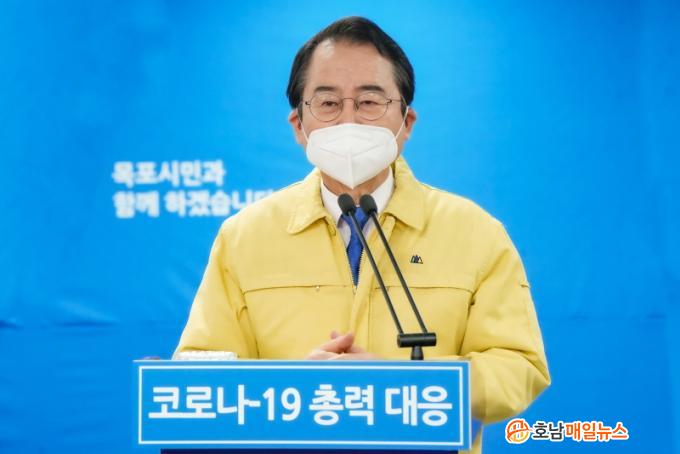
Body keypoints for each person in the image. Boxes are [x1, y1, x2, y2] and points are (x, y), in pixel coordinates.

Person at [175, 16, 550, 453]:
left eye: (370, 102)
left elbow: (517, 367)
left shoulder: (475, 233)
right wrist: (292, 390)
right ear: (298, 125)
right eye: (328, 103)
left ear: (406, 122)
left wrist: (400, 387)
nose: (348, 120)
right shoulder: (245, 237)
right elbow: (200, 375)